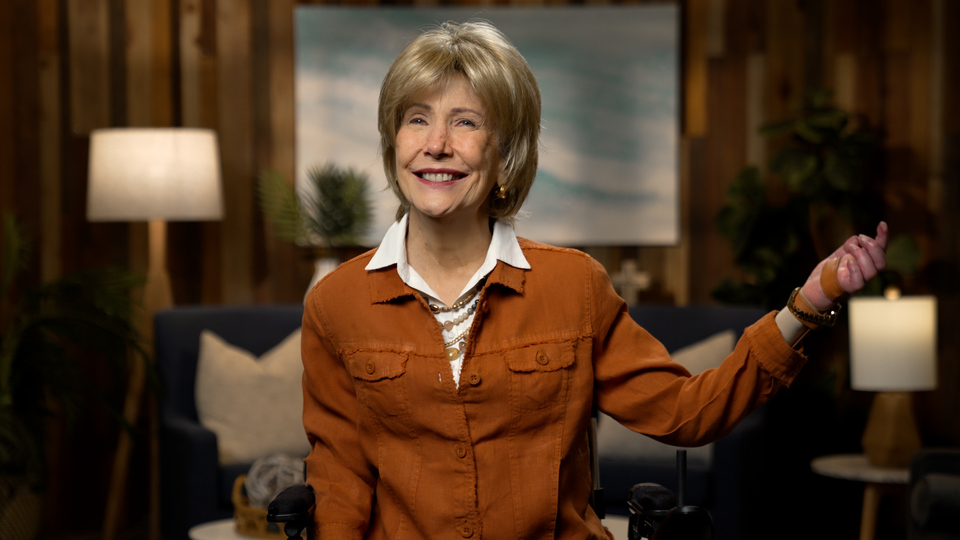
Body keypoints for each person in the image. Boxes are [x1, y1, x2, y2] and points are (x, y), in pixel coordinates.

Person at [300, 20, 888, 540]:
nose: (436, 144)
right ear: (394, 141)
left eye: (466, 122)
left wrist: (809, 302)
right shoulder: (335, 303)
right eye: (417, 119)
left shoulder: (574, 285)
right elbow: (339, 482)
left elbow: (687, 412)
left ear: (506, 154)